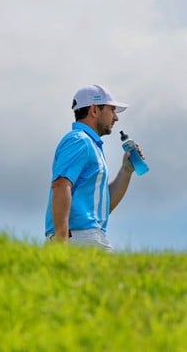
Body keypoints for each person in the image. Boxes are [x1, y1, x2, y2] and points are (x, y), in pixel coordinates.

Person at [44, 84, 143, 252]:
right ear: (94, 110)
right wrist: (61, 237)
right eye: (111, 110)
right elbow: (61, 184)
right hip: (79, 237)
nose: (116, 118)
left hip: (85, 236)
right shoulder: (79, 141)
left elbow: (103, 207)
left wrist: (126, 171)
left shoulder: (89, 144)